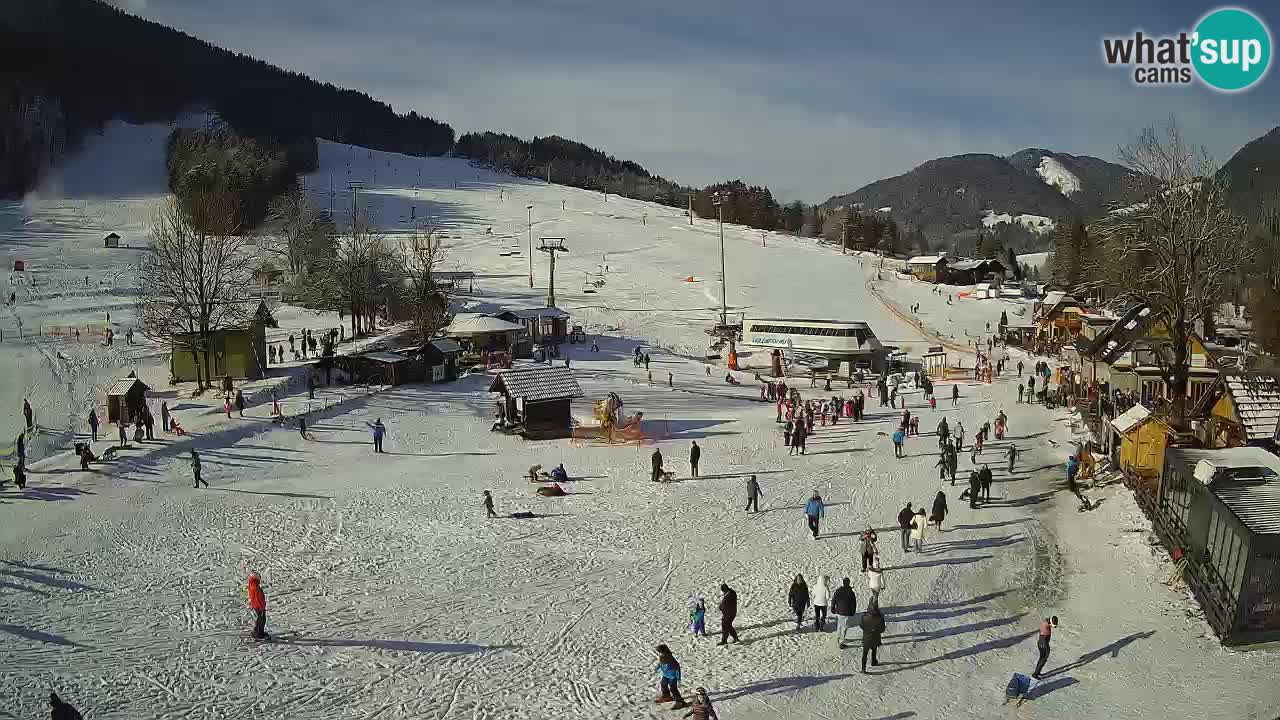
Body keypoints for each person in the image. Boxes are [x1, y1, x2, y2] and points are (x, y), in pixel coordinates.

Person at [655, 644, 688, 709]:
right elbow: (661, 663)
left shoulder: (670, 659)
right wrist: (658, 667)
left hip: (672, 676)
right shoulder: (662, 657)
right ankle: (666, 696)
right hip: (665, 675)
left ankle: (680, 702)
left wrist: (678, 678)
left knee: (673, 689)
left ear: (663, 652)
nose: (659, 653)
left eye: (660, 652)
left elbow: (677, 667)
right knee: (663, 684)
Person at [830, 577, 857, 649]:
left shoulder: (838, 591)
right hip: (847, 611)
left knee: (839, 625)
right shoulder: (851, 592)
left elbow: (833, 600)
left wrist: (832, 608)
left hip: (839, 611)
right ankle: (841, 641)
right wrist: (853, 611)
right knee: (844, 626)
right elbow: (854, 603)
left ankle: (838, 638)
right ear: (849, 583)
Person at [860, 599, 886, 673]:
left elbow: (861, 626)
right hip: (875, 637)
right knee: (874, 650)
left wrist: (867, 630)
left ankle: (863, 669)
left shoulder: (864, 617)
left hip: (866, 638)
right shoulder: (880, 618)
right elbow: (882, 629)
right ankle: (873, 661)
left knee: (865, 653)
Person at [248, 572, 269, 640]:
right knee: (262, 620)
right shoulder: (255, 586)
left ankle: (256, 631)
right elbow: (258, 598)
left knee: (259, 619)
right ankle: (259, 635)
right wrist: (262, 608)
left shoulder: (252, 584)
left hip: (256, 605)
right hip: (259, 606)